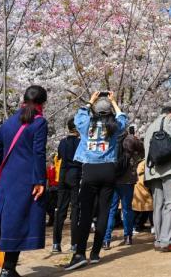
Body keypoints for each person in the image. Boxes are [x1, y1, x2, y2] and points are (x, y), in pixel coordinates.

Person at [0, 85, 48, 277]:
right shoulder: (40, 123)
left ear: (23, 99)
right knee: (17, 222)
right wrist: (40, 180)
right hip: (26, 181)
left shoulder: (8, 123)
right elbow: (38, 153)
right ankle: (8, 270)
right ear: (43, 103)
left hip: (4, 180)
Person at [64, 91, 127, 271]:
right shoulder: (115, 126)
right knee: (104, 212)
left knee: (85, 213)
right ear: (110, 112)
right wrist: (114, 102)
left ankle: (80, 253)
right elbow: (123, 117)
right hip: (108, 170)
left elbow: (79, 116)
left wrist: (90, 101)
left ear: (94, 111)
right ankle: (96, 252)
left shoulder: (85, 125)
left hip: (90, 169)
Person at [144, 106, 171, 253]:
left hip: (153, 170)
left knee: (158, 205)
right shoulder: (168, 120)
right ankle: (167, 241)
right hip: (169, 168)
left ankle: (159, 240)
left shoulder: (150, 127)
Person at [103, 125, 144, 249]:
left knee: (111, 210)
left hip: (112, 179)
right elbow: (142, 152)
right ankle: (128, 237)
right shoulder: (130, 139)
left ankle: (106, 239)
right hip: (127, 180)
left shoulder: (109, 139)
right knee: (127, 209)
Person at [52, 118, 82, 253]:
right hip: (75, 174)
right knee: (75, 209)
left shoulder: (62, 142)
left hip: (63, 175)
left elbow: (59, 156)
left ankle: (56, 244)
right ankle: (74, 244)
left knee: (60, 209)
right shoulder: (81, 142)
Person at [132, 159, 153, 234]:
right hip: (142, 187)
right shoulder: (144, 163)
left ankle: (138, 225)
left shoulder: (142, 162)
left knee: (144, 209)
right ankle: (135, 226)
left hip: (141, 187)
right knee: (141, 209)